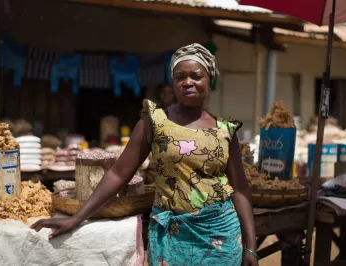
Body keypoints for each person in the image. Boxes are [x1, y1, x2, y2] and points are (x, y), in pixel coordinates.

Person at [31, 43, 258, 266]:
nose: (188, 82)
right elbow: (119, 174)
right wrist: (77, 218)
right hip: (171, 236)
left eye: (196, 76)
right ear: (173, 82)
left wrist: (250, 247)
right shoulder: (155, 122)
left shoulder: (224, 130)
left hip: (219, 236)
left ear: (210, 80)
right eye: (180, 77)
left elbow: (240, 188)